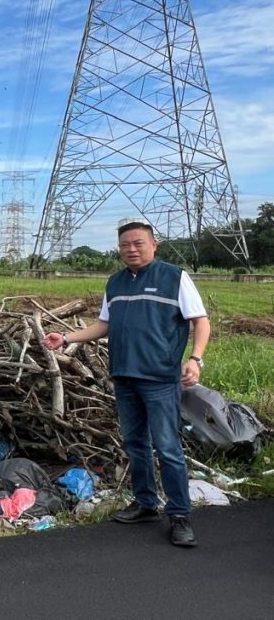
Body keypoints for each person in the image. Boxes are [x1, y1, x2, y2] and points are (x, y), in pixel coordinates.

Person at [43, 217, 209, 548]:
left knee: (168, 448)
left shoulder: (174, 277)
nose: (131, 249)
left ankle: (179, 515)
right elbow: (104, 325)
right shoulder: (116, 282)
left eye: (138, 243)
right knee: (135, 444)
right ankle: (146, 503)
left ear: (153, 244)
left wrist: (195, 359)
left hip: (160, 378)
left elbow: (200, 321)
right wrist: (66, 338)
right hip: (124, 376)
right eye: (124, 245)